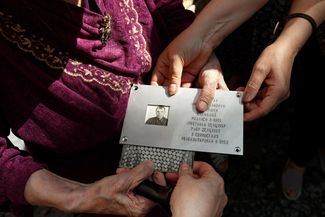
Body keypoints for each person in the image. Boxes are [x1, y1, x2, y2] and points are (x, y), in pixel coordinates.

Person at [0, 0, 228, 216]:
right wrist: (76, 195)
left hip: (178, 131)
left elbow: (166, 7)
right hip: (103, 188)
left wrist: (198, 49)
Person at [152, 0, 325, 201]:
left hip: (291, 22)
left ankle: (298, 157)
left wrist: (287, 46)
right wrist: (203, 37)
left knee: (309, 97)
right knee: (234, 75)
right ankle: (224, 133)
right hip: (236, 15)